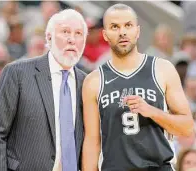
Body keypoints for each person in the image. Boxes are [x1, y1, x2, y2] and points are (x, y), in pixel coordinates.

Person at [82, 4, 194, 171]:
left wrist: (152, 112)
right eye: (115, 27)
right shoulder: (94, 81)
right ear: (105, 35)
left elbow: (187, 127)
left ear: (138, 31)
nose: (122, 32)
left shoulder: (162, 69)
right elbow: (92, 143)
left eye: (128, 25)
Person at [0, 9, 87, 171]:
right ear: (49, 37)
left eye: (79, 33)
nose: (72, 39)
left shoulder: (87, 83)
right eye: (65, 31)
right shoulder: (17, 73)